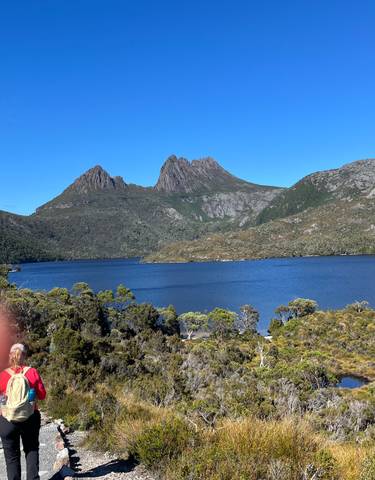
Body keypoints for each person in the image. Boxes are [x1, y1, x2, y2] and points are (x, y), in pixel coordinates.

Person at [0, 343, 46, 480]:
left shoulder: (2, 375)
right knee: (31, 450)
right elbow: (43, 395)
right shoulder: (32, 372)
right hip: (30, 417)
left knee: (11, 457)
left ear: (10, 355)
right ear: (24, 356)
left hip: (7, 420)